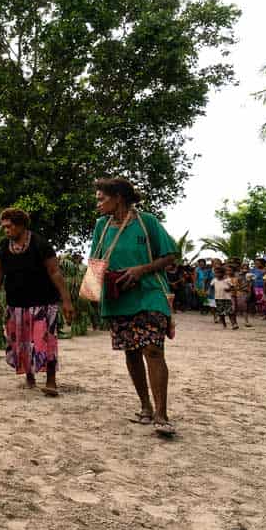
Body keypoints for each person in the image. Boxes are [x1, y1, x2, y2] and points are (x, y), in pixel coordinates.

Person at [90, 178, 177, 436]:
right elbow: (95, 261)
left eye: (102, 197)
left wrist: (142, 269)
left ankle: (162, 414)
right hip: (118, 297)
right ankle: (145, 407)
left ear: (118, 197)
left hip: (150, 291)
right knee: (131, 352)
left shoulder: (147, 222)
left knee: (152, 348)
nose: (98, 203)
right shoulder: (101, 227)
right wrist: (94, 295)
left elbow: (170, 256)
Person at [0, 207, 74, 397]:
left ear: (21, 225)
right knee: (22, 342)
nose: (6, 230)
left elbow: (55, 272)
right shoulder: (3, 247)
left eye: (9, 226)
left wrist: (66, 301)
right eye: (4, 227)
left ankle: (51, 381)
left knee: (46, 342)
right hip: (16, 304)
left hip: (43, 303)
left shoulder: (40, 244)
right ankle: (30, 376)